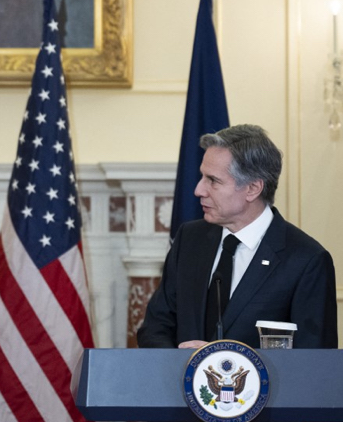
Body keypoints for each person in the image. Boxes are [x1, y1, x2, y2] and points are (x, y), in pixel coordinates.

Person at [137, 124, 337, 349]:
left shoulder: (306, 260)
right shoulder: (189, 239)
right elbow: (155, 326)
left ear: (252, 189)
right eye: (202, 177)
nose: (199, 190)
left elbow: (315, 361)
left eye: (213, 180)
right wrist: (180, 363)